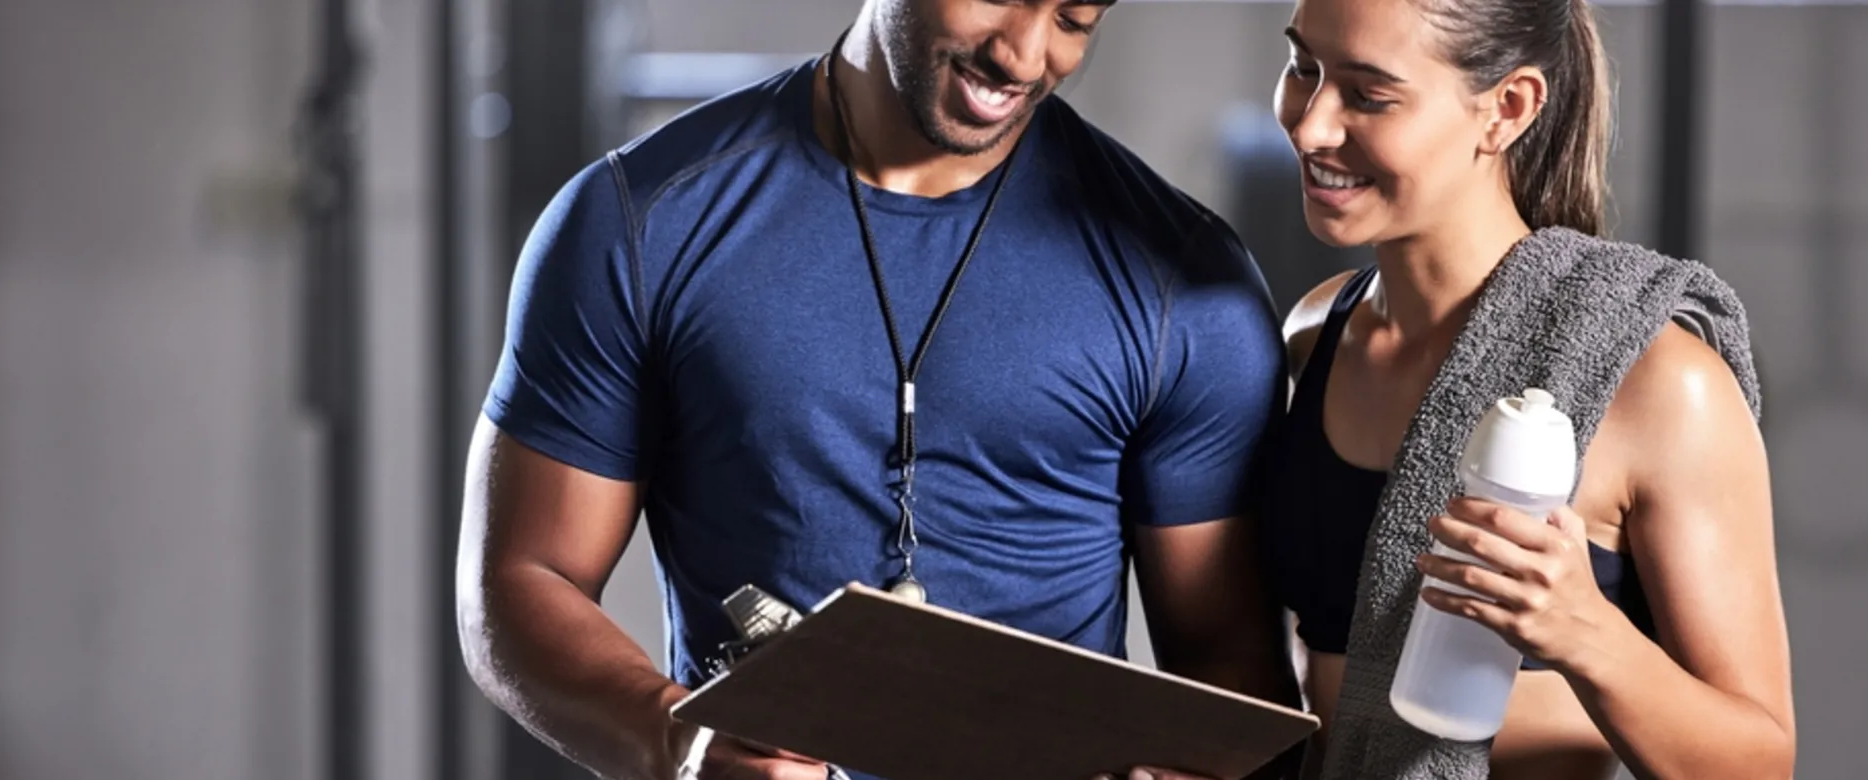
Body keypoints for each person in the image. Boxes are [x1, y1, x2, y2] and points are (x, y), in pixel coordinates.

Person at [455, 1, 1305, 779]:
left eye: (1074, 18)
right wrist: (669, 735)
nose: (1023, 52)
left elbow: (1229, 663)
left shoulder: (1183, 283)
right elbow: (526, 576)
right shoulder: (637, 223)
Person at [1256, 0, 1797, 776]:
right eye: (1304, 69)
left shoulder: (1659, 384)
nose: (1310, 126)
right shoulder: (1314, 333)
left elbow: (1759, 765)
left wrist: (1584, 630)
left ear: (1507, 109)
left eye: (1369, 95)